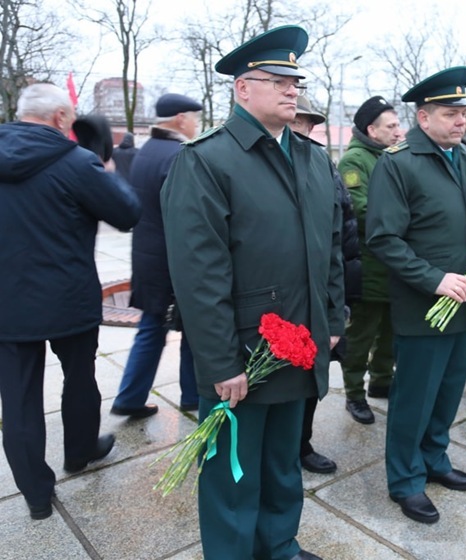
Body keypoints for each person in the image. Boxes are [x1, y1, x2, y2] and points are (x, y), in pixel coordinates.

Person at [160, 26, 343, 560]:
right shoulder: (206, 160)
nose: (293, 90)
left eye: (296, 80)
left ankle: (278, 544)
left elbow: (328, 250)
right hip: (244, 349)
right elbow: (199, 274)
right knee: (231, 469)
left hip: (302, 342)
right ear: (242, 89)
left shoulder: (312, 157)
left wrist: (332, 322)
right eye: (278, 80)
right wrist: (220, 361)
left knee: (283, 458)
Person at [366, 66, 466, 525]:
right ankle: (405, 479)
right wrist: (434, 280)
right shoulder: (399, 163)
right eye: (451, 114)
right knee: (415, 396)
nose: (462, 121)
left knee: (447, 393)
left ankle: (434, 459)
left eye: (464, 113)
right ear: (423, 118)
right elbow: (384, 239)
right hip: (426, 304)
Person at [0, 83, 140, 520]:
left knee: (18, 399)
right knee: (80, 379)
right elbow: (127, 213)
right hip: (67, 297)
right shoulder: (77, 162)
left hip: (6, 302)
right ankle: (80, 451)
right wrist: (106, 168)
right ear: (61, 117)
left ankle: (36, 494)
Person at [111, 93, 203, 420]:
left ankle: (131, 396)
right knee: (193, 327)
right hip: (170, 260)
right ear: (180, 118)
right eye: (194, 118)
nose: (196, 125)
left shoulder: (149, 149)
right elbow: (186, 216)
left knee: (152, 328)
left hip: (148, 254)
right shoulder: (180, 154)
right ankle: (193, 395)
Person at [289, 95, 360, 475]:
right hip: (279, 297)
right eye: (297, 120)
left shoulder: (321, 164)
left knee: (312, 377)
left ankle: (301, 444)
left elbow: (344, 231)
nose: (301, 129)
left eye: (307, 123)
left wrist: (342, 299)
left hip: (321, 294)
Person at [338, 95, 401, 425]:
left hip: (393, 267)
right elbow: (361, 210)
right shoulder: (355, 161)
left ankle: (381, 382)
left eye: (397, 124)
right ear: (371, 129)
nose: (398, 131)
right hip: (368, 265)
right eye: (390, 126)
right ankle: (354, 393)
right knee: (362, 335)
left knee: (390, 330)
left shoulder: (389, 157)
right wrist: (405, 217)